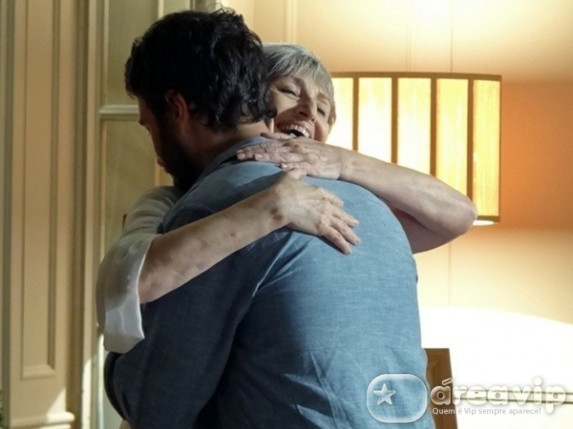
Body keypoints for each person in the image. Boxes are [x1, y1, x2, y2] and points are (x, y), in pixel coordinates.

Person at [104, 9, 474, 428]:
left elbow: (155, 402)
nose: (307, 113)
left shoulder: (212, 207)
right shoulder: (377, 210)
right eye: (290, 92)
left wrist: (118, 370)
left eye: (149, 127)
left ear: (176, 108)